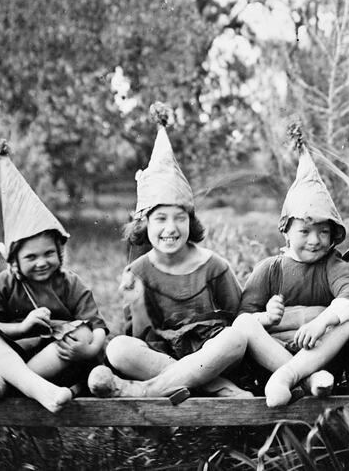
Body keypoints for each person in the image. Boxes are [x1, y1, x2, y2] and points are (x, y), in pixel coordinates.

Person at [87, 102, 249, 399]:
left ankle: (148, 391)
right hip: (162, 354)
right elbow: (138, 339)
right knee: (119, 350)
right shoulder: (137, 271)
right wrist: (135, 304)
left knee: (236, 338)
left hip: (212, 354)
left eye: (180, 217)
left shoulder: (215, 266)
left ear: (192, 220)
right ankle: (215, 389)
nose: (170, 228)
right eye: (160, 219)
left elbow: (238, 318)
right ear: (144, 225)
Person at [0, 141, 107, 413]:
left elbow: (97, 325)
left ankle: (7, 387)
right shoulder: (5, 284)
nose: (42, 262)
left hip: (57, 360)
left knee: (79, 332)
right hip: (13, 356)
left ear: (59, 252)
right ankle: (31, 387)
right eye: (31, 257)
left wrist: (90, 351)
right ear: (15, 261)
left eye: (49, 253)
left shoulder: (70, 283)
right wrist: (22, 328)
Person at [233, 128, 349, 407]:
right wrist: (267, 318)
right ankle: (305, 378)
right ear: (286, 232)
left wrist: (321, 320)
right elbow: (241, 320)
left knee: (348, 322)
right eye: (305, 231)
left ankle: (298, 375)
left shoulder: (332, 265)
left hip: (320, 353)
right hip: (275, 354)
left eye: (324, 231)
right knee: (245, 324)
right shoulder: (270, 269)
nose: (315, 240)